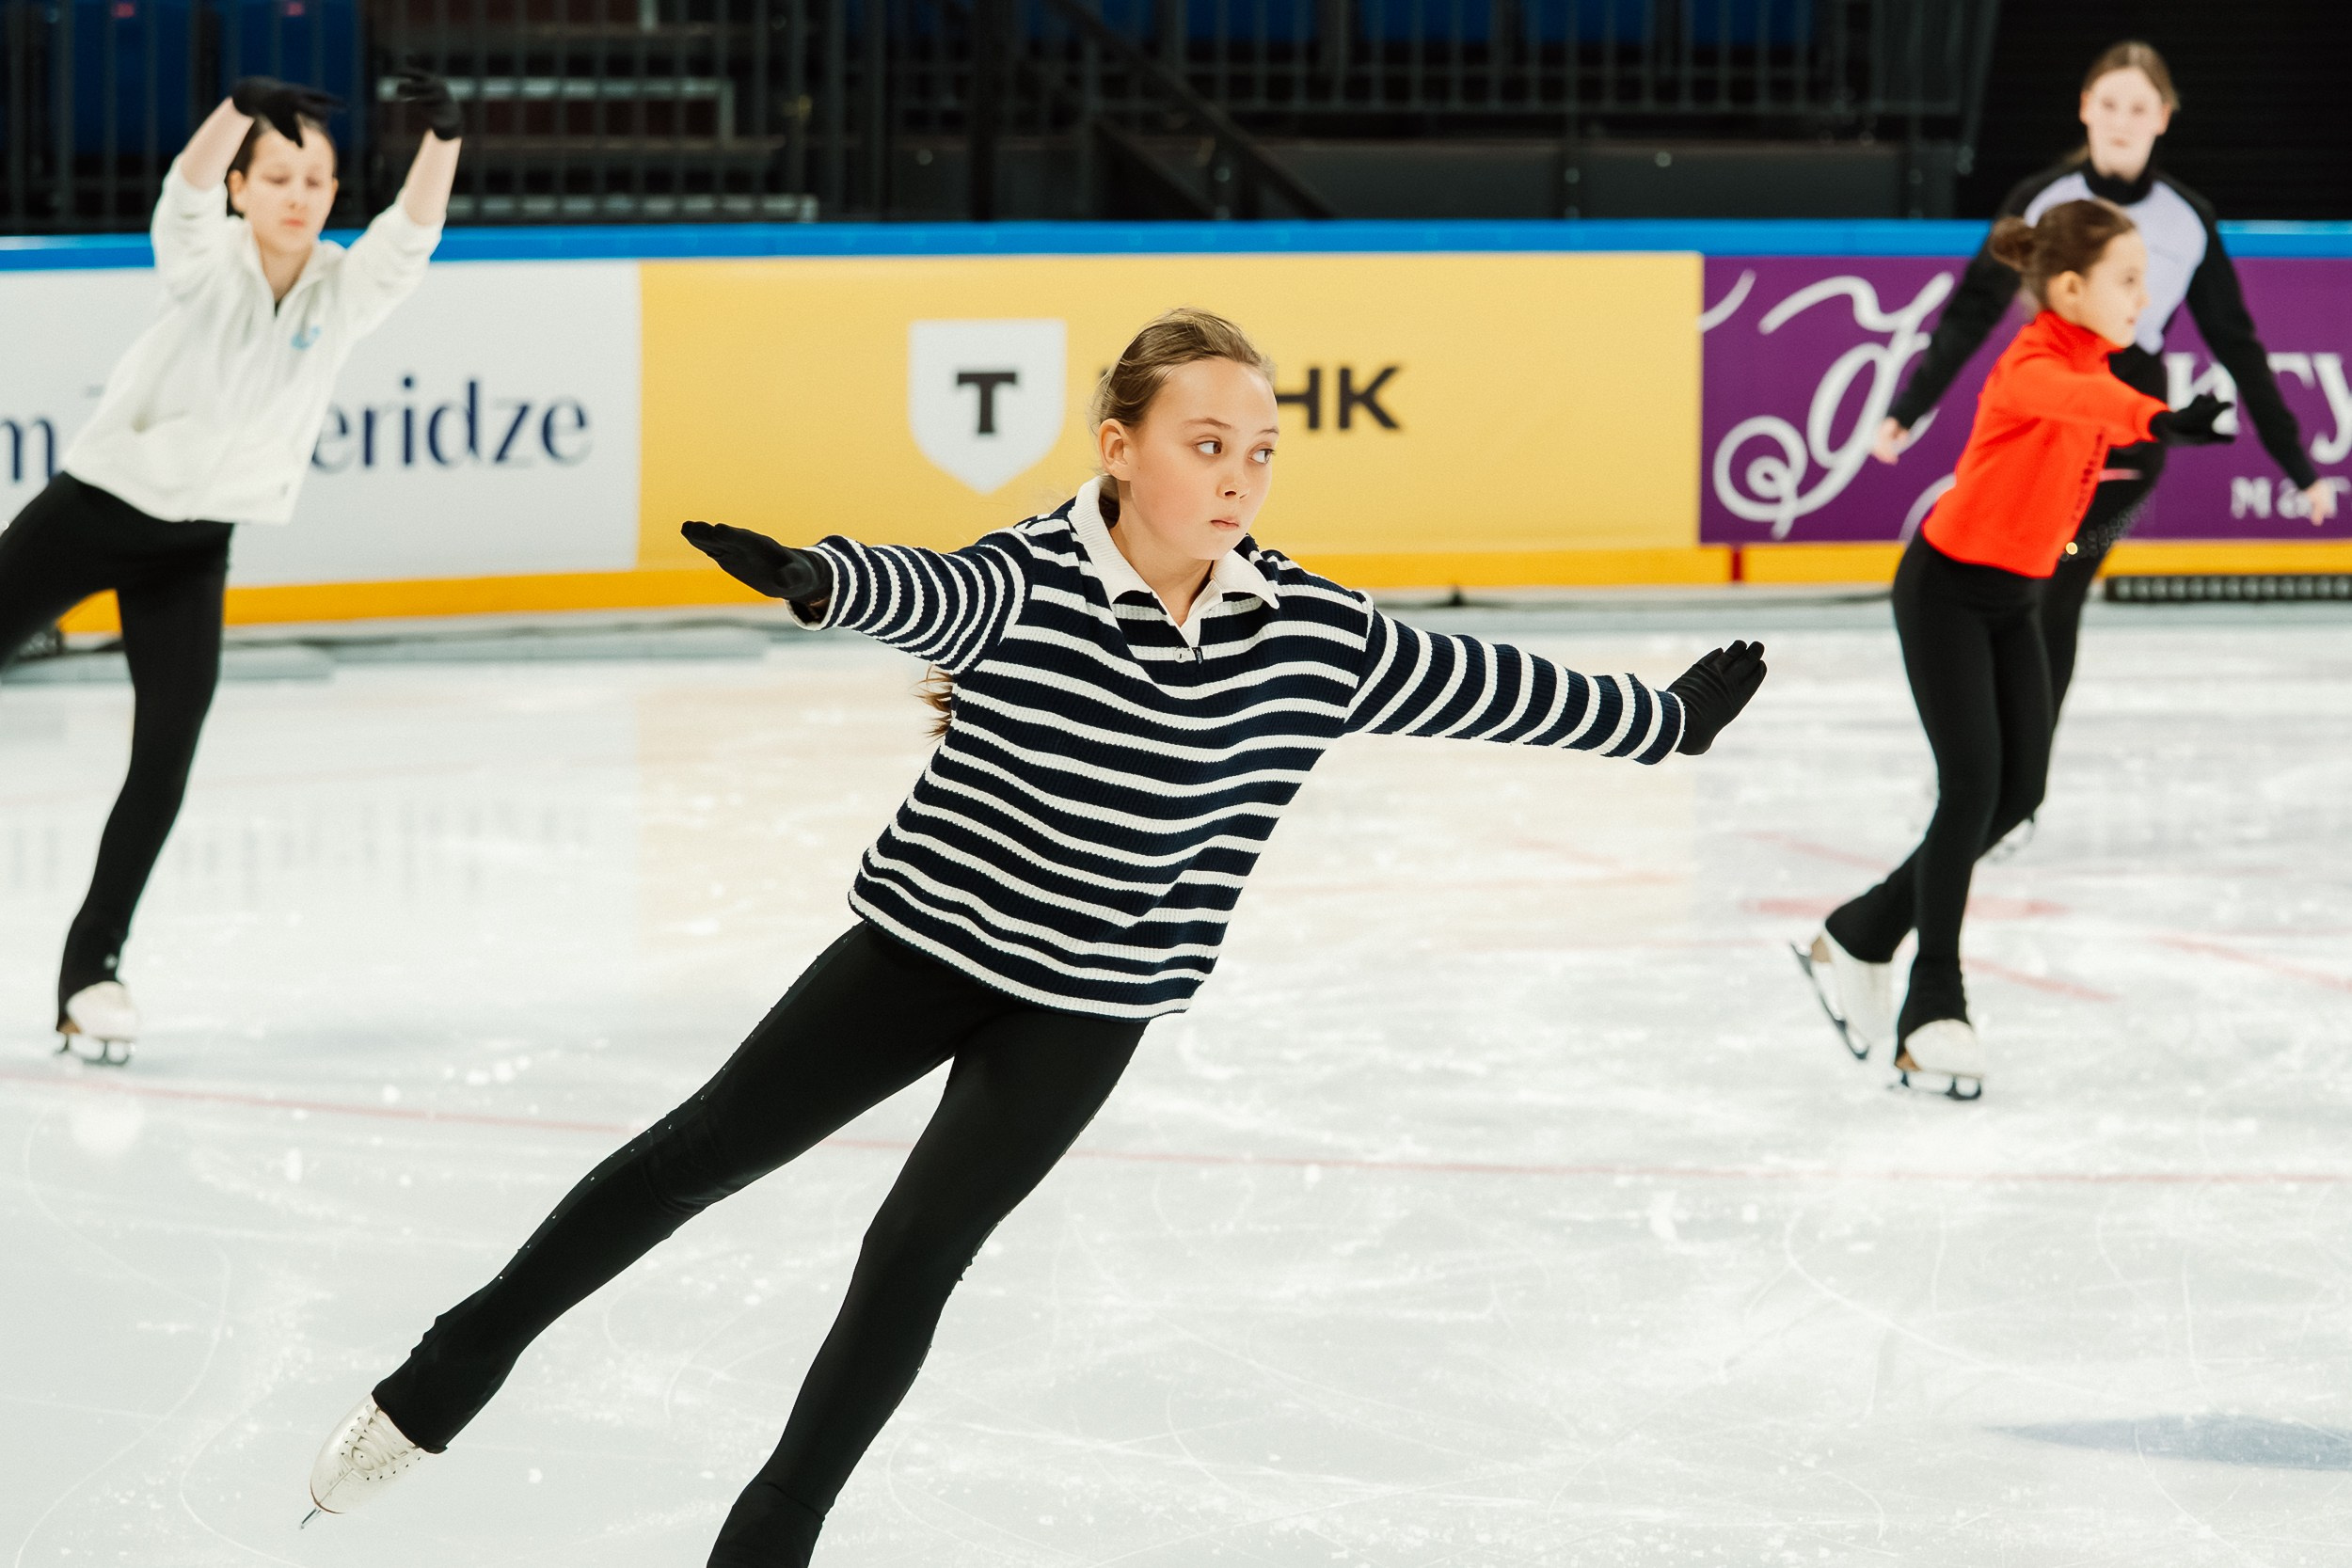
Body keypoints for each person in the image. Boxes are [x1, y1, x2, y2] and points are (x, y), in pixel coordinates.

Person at [304, 309, 1770, 1564]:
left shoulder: (1311, 634)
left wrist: (1666, 722)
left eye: (1261, 451)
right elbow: (929, 589)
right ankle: (450, 1367)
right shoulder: (1031, 577)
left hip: (1087, 1000)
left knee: (914, 1250)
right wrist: (818, 578)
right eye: (1208, 443)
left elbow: (1486, 683)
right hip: (921, 951)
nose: (1240, 476)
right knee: (700, 1154)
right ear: (1120, 447)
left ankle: (768, 1540)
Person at [0, 70, 463, 1063]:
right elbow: (183, 191)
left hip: (195, 544)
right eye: (278, 177)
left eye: (317, 181)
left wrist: (444, 138)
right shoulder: (206, 262)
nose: (299, 196)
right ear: (243, 189)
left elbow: (411, 235)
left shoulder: (341, 292)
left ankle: (90, 973)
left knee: (163, 758)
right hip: (95, 507)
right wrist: (236, 112)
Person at [1804, 201, 2233, 1100]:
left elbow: (2099, 409)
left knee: (2020, 790)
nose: (2143, 296)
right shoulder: (2034, 363)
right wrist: (2161, 421)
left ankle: (1864, 929)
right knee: (1971, 787)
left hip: (2014, 601)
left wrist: (2151, 426)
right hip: (1946, 594)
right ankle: (1933, 1005)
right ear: (2070, 288)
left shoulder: (2096, 360)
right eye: (2127, 280)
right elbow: (2083, 402)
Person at [1872, 39, 2334, 716]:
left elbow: (2236, 343)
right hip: (2047, 428)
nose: (2122, 120)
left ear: (2164, 117)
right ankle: (1999, 748)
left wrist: (2296, 463)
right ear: (2086, 107)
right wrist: (1908, 408)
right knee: (2025, 589)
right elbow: (1973, 310)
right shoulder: (2043, 200)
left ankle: (2027, 756)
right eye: (2110, 104)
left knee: (2060, 590)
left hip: (2129, 441)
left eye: (2139, 108)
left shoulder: (2187, 219)